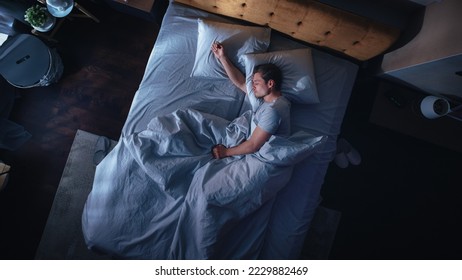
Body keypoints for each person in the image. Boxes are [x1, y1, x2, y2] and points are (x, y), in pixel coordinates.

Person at [211, 42, 291, 159]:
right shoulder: (265, 101)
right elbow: (241, 82)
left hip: (263, 158)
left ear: (270, 83)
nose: (253, 87)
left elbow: (253, 145)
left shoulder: (274, 109)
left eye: (256, 83)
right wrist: (222, 57)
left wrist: (225, 152)